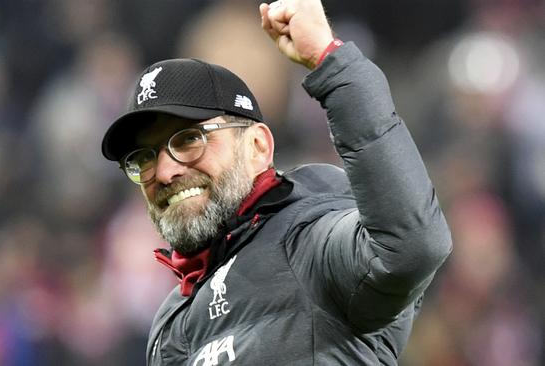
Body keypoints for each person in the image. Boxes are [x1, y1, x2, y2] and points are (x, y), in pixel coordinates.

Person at [101, 0, 452, 364]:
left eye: (189, 140)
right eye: (143, 158)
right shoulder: (170, 322)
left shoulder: (310, 243)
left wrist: (331, 62)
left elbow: (410, 247)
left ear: (257, 146)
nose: (164, 172)